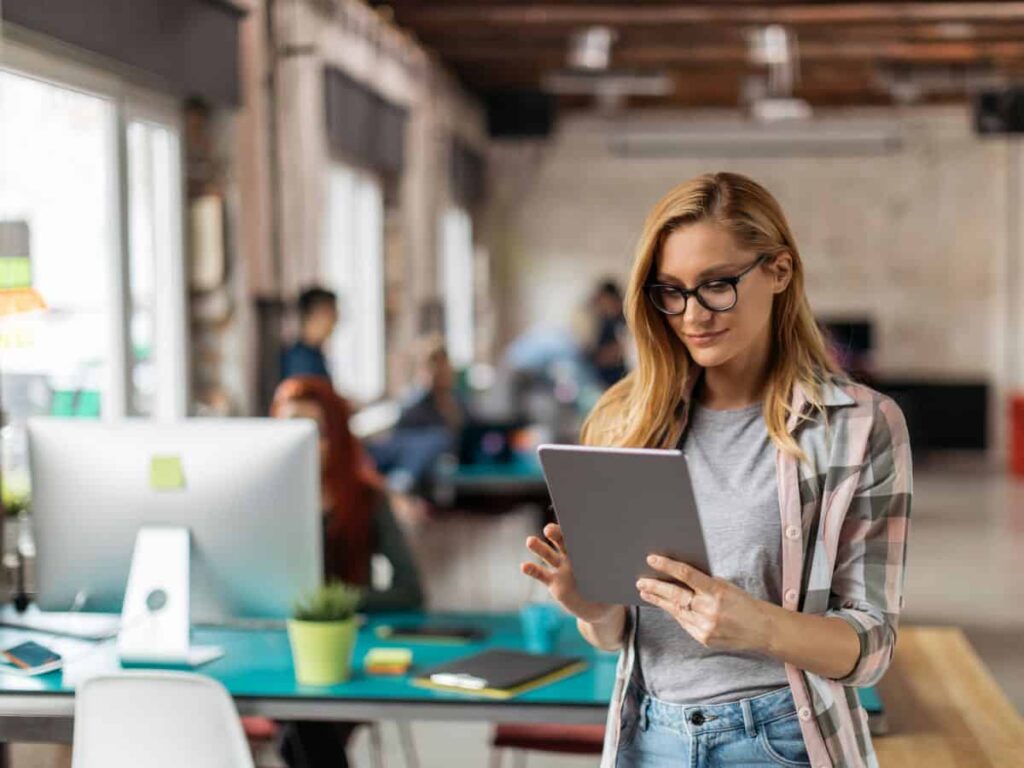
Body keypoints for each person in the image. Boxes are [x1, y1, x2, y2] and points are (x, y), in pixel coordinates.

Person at [520, 172, 911, 768]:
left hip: (781, 741)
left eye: (717, 286)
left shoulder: (858, 426)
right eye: (671, 291)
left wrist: (757, 625)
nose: (692, 314)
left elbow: (873, 645)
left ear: (779, 271)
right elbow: (620, 634)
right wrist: (590, 605)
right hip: (648, 737)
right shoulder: (626, 421)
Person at [271, 375, 425, 768]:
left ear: (336, 436)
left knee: (302, 726)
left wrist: (333, 605)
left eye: (315, 432)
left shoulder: (366, 498)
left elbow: (411, 591)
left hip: (350, 654)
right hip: (276, 651)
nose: (303, 442)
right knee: (299, 719)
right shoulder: (262, 500)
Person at [366, 335, 467, 494]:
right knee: (436, 439)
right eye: (433, 367)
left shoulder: (458, 401)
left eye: (443, 365)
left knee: (440, 440)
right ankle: (399, 487)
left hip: (442, 461)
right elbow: (397, 441)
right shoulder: (414, 403)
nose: (440, 372)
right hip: (407, 459)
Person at [280, 287, 338, 382]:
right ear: (314, 315)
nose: (335, 320)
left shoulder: (315, 355)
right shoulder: (300, 360)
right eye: (331, 313)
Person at [587, 279, 629, 388]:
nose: (602, 305)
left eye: (603, 300)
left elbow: (624, 350)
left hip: (621, 380)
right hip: (604, 380)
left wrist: (604, 356)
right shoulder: (605, 322)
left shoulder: (626, 320)